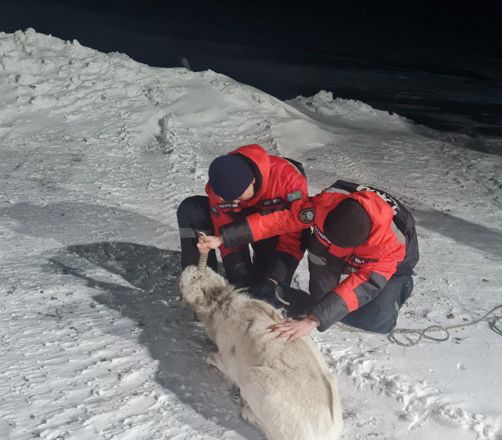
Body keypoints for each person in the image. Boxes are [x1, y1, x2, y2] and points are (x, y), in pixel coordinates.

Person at [198, 180, 418, 340]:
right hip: (331, 242)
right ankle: (322, 301)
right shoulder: (325, 204)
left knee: (375, 321)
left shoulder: (391, 245)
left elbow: (362, 284)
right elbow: (279, 220)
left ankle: (401, 286)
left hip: (393, 265)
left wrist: (313, 321)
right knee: (321, 301)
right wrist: (224, 237)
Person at [177, 143, 308, 303]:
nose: (235, 202)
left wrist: (275, 279)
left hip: (276, 234)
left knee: (267, 295)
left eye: (238, 197)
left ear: (252, 181)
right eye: (229, 200)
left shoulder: (288, 181)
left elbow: (294, 238)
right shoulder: (220, 188)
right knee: (191, 209)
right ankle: (201, 293)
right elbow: (224, 231)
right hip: (237, 232)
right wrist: (239, 276)